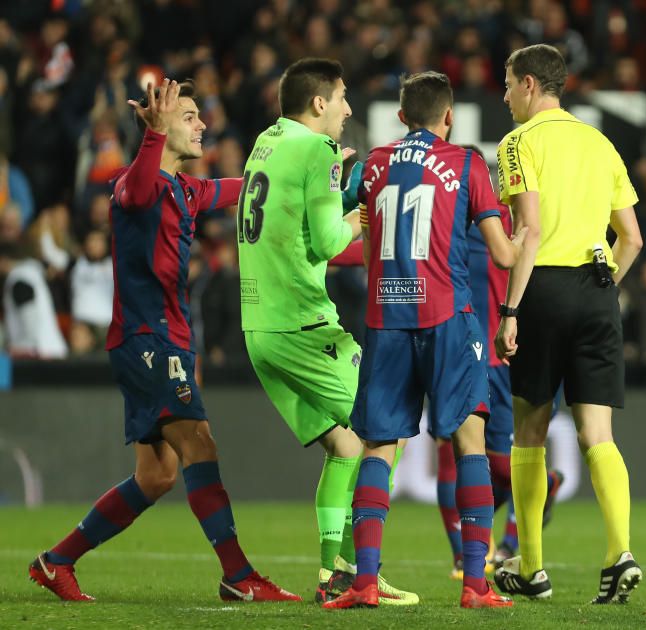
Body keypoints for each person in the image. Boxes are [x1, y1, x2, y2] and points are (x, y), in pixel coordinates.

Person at [29, 79, 299, 602]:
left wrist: (310, 170)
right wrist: (152, 137)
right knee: (200, 444)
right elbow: (134, 190)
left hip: (166, 340)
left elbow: (246, 188)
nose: (202, 125)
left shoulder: (184, 189)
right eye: (191, 116)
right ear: (161, 125)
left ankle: (56, 561)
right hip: (146, 340)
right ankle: (239, 576)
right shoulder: (136, 183)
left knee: (156, 477)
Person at [324, 70, 523, 610]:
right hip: (447, 318)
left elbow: (360, 240)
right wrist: (530, 230)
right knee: (469, 442)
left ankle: (365, 580)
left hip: (385, 317)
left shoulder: (372, 164)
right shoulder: (466, 164)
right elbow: (503, 256)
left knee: (378, 447)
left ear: (400, 115)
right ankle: (475, 584)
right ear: (450, 117)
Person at [236, 58, 415, 606]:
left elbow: (297, 227)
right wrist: (359, 205)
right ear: (319, 103)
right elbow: (334, 243)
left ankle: (332, 572)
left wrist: (334, 190)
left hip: (258, 327)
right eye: (341, 98)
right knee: (387, 427)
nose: (348, 109)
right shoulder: (315, 151)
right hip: (302, 324)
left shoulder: (267, 141)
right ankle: (363, 570)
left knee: (344, 444)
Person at [492, 44, 645, 605]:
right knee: (597, 435)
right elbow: (631, 238)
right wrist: (604, 291)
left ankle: (531, 566)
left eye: (509, 85)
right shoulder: (599, 142)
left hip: (543, 289)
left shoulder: (519, 143)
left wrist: (510, 310)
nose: (506, 96)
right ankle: (619, 552)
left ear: (530, 85)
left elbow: (528, 231)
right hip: (598, 289)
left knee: (529, 429)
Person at [437, 148, 564, 580]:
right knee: (451, 452)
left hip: (504, 354)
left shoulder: (517, 228)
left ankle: (520, 526)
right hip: (457, 348)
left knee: (504, 463)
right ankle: (463, 555)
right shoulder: (457, 223)